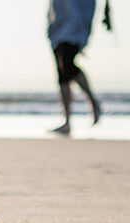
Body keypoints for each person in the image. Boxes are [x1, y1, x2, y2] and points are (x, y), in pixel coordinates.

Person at [47, 0, 107, 135]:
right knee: (62, 74)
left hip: (77, 16)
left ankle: (92, 101)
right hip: (59, 17)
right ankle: (67, 121)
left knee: (67, 64)